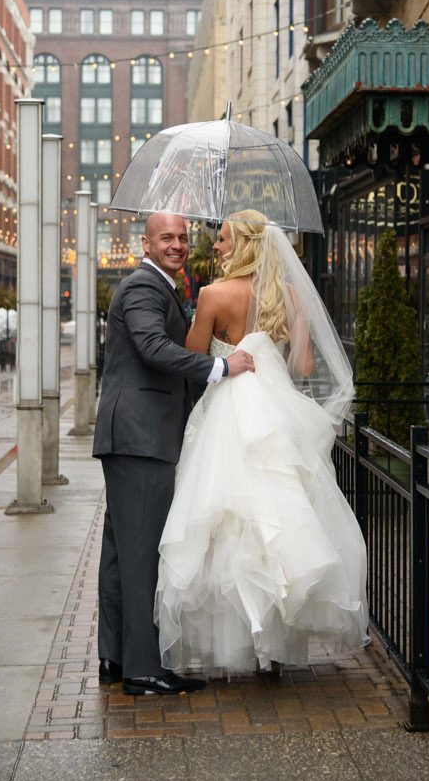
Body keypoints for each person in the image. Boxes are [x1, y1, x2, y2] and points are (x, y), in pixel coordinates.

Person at [157, 214, 369, 682]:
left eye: (223, 239)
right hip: (274, 410)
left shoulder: (213, 296)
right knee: (279, 516)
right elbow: (303, 365)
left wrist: (215, 340)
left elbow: (193, 361)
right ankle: (271, 650)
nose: (215, 247)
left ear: (244, 245)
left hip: (230, 409)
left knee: (228, 518)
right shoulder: (290, 295)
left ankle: (242, 637)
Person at [92, 211, 250, 698]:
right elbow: (153, 347)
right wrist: (219, 366)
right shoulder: (144, 287)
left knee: (122, 553)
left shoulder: (158, 286)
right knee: (141, 555)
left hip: (137, 436)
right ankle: (142, 670)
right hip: (141, 436)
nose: (178, 245)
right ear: (146, 242)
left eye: (183, 237)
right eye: (167, 237)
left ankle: (116, 656)